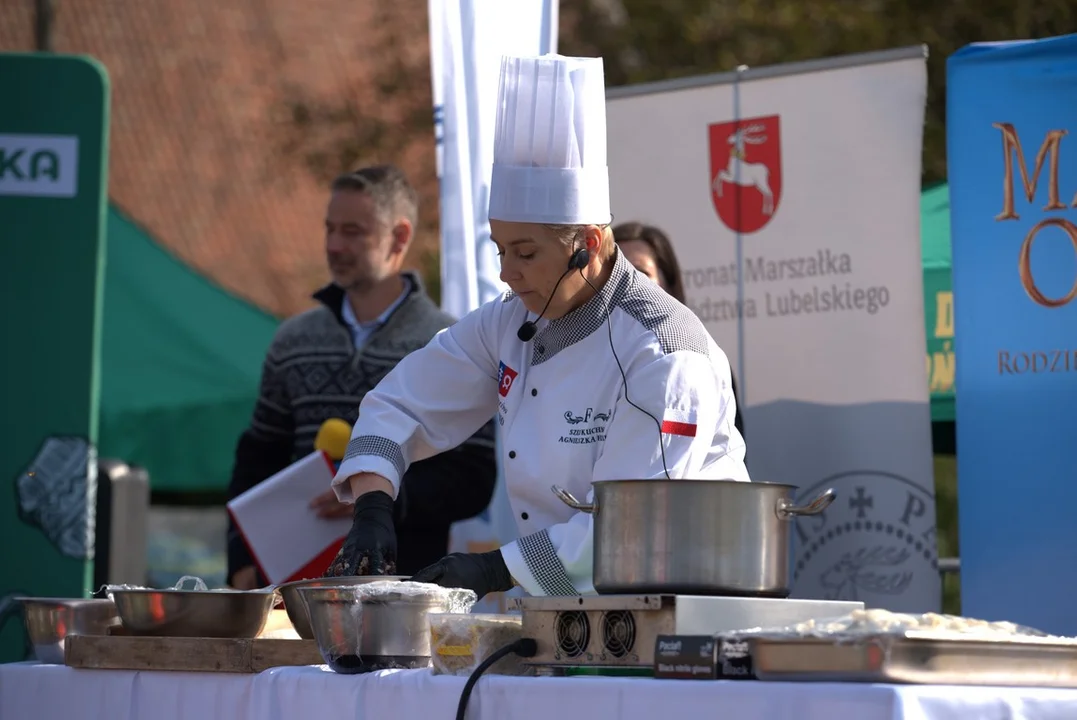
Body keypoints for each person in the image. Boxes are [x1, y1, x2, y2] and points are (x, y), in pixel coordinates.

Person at [323, 54, 749, 598]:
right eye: (499, 250)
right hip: (563, 612)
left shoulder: (665, 352)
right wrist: (374, 506)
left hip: (673, 618)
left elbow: (633, 533)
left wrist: (492, 572)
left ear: (587, 247)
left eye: (524, 253)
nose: (506, 272)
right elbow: (400, 403)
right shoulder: (509, 320)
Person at [227, 164, 498, 588]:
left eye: (353, 231)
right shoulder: (293, 340)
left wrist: (376, 500)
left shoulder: (448, 344)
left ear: (400, 236)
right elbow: (257, 458)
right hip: (294, 589)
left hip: (404, 587)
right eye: (329, 229)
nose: (334, 245)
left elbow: (473, 479)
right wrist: (240, 561)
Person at [613, 222, 746, 439]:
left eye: (640, 273)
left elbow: (676, 444)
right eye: (616, 273)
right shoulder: (581, 362)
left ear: (668, 284)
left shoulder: (693, 359)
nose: (628, 284)